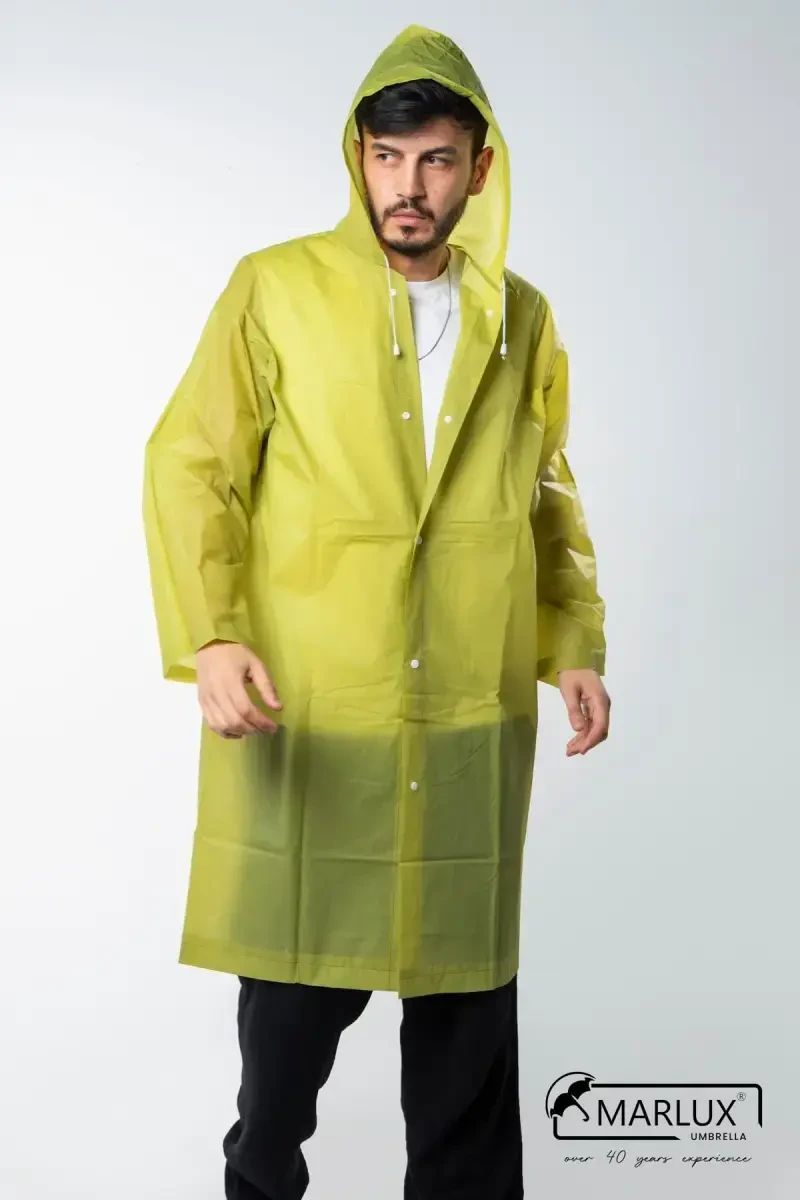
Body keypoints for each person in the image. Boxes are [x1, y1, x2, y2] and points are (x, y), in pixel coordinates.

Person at [142, 22, 610, 1200]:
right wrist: (211, 633)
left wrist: (571, 644)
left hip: (465, 708)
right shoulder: (275, 288)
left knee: (466, 1028)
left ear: (478, 169)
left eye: (436, 160)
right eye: (388, 158)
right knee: (288, 1025)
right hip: (318, 705)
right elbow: (191, 465)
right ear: (356, 158)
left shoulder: (519, 317)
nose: (409, 186)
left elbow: (546, 487)